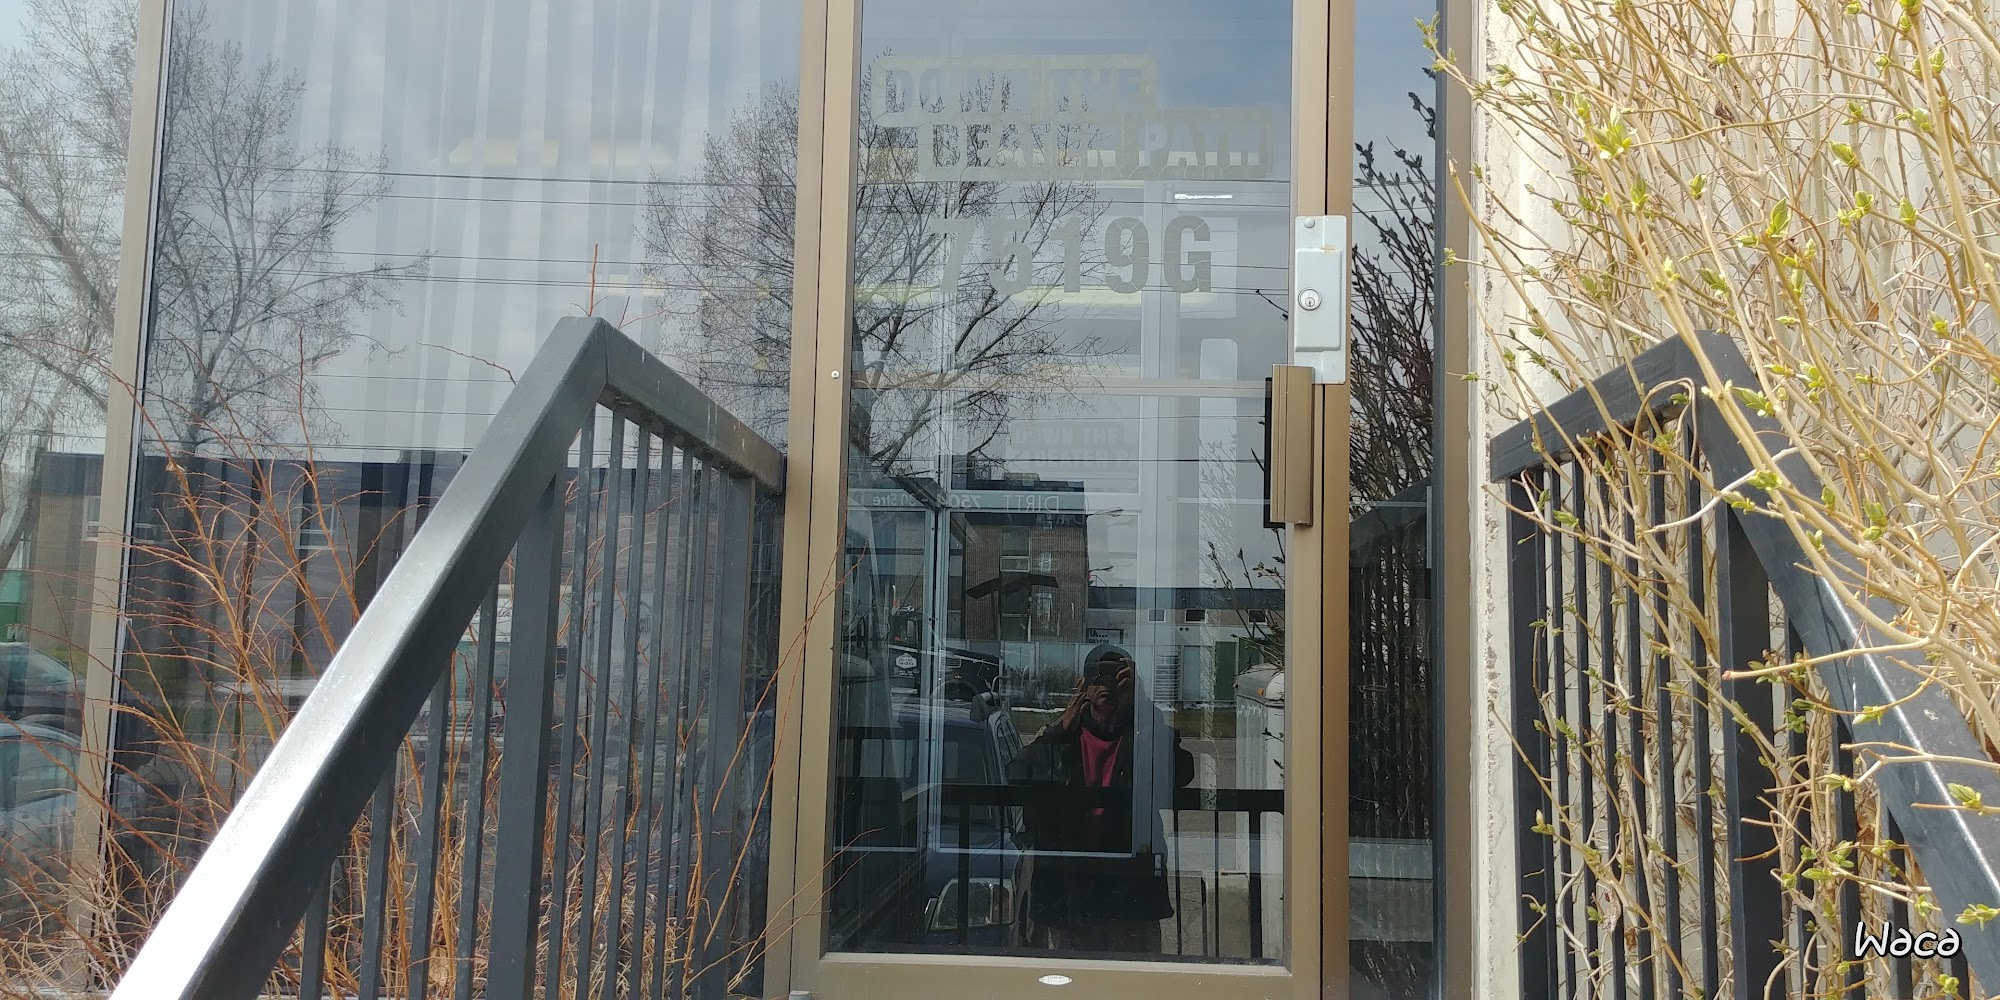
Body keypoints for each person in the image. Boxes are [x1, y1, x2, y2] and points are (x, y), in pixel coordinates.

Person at [1007, 643, 1194, 954]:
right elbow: (1017, 776)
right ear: (1083, 687)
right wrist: (1059, 730)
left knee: (1134, 975)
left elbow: (1181, 771)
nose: (1107, 685)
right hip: (1069, 887)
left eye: (1116, 677)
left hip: (1128, 888)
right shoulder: (1063, 737)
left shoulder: (1142, 735)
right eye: (1099, 676)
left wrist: (1142, 707)